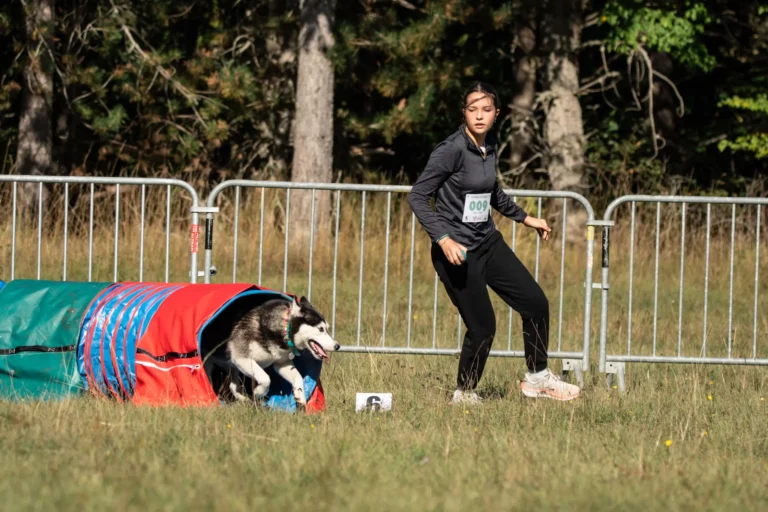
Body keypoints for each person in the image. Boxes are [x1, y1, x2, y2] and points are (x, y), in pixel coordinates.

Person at [407, 81, 581, 404]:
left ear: (496, 114)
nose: (479, 116)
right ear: (464, 113)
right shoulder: (451, 150)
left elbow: (492, 192)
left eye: (486, 110)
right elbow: (418, 196)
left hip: (487, 242)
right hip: (457, 253)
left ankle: (537, 377)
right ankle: (465, 393)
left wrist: (526, 218)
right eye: (472, 109)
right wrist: (442, 239)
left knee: (535, 303)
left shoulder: (489, 146)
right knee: (483, 326)